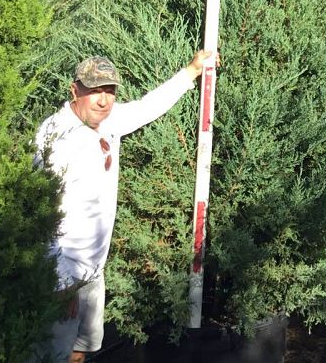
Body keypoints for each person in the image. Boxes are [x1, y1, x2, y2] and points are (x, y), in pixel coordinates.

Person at [31, 51, 213, 363]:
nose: (103, 100)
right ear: (75, 90)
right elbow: (41, 213)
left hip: (91, 271)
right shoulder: (56, 138)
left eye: (110, 91)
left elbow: (146, 108)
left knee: (81, 350)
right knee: (53, 354)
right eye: (94, 91)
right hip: (63, 277)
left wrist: (190, 72)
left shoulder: (107, 120)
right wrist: (59, 285)